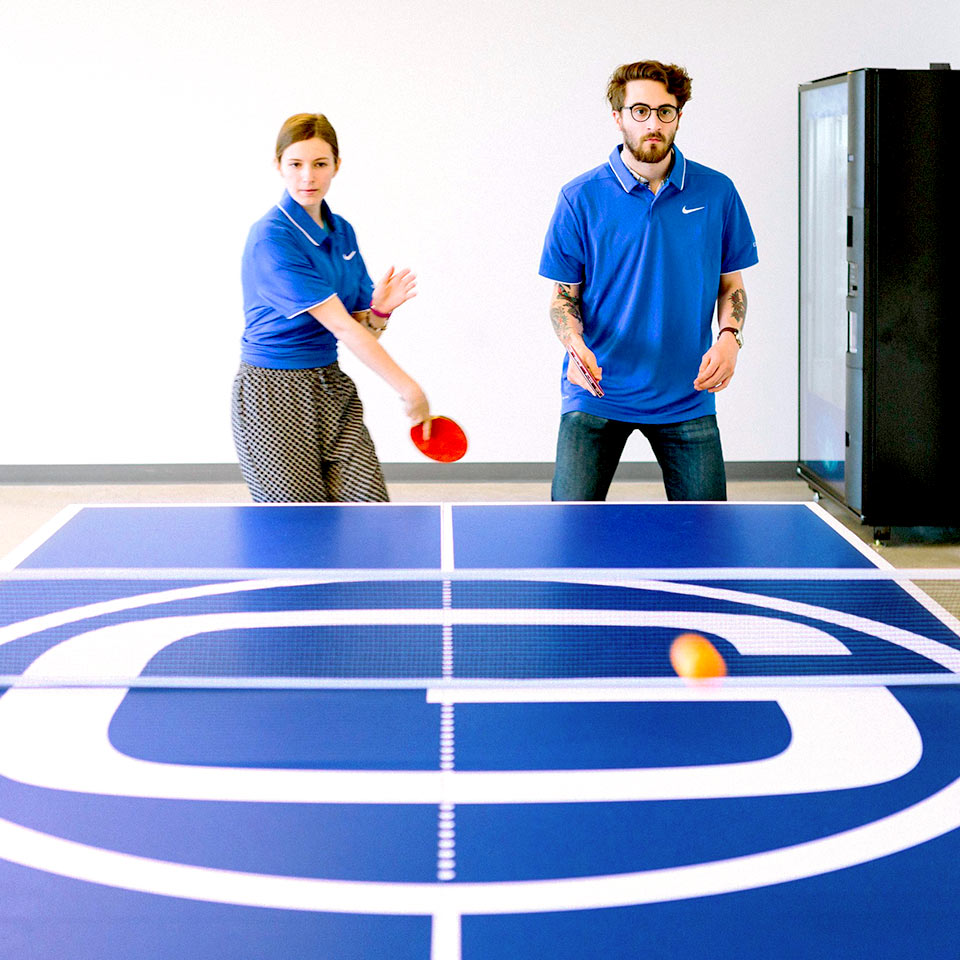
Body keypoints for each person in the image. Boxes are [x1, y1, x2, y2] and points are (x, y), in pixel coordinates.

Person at [539, 60, 758, 502]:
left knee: (706, 532)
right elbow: (563, 298)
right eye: (640, 111)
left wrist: (730, 338)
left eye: (665, 111)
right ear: (618, 117)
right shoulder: (579, 197)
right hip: (597, 391)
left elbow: (730, 285)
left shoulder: (717, 192)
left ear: (678, 116)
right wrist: (574, 344)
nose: (653, 123)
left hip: (687, 393)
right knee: (570, 529)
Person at [233, 113, 431, 503]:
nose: (308, 176)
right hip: (272, 393)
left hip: (329, 383)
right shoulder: (271, 237)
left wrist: (380, 312)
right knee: (300, 530)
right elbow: (342, 327)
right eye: (295, 164)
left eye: (320, 164)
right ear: (278, 166)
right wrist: (409, 388)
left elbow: (360, 329)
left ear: (336, 166)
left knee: (370, 510)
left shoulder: (342, 231)